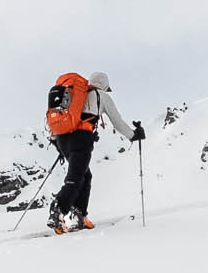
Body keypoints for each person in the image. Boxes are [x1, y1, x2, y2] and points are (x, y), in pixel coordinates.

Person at [42, 71, 141, 233]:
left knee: (85, 175)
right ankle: (59, 210)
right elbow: (117, 121)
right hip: (81, 139)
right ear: (104, 85)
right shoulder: (101, 95)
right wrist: (134, 135)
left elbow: (63, 119)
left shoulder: (75, 94)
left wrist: (58, 144)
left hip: (62, 139)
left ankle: (79, 214)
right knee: (76, 177)